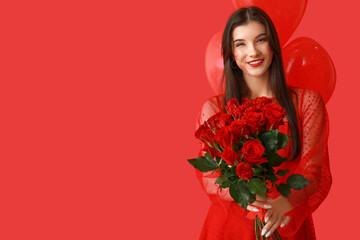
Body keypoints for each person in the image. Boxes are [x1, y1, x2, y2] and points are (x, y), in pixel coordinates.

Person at [195, 6, 332, 240]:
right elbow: (210, 178)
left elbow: (312, 172)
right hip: (229, 230)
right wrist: (243, 193)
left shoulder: (306, 103)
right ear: (232, 56)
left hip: (285, 225)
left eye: (261, 40)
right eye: (241, 44)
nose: (253, 52)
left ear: (273, 46)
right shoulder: (215, 109)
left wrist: (285, 201)